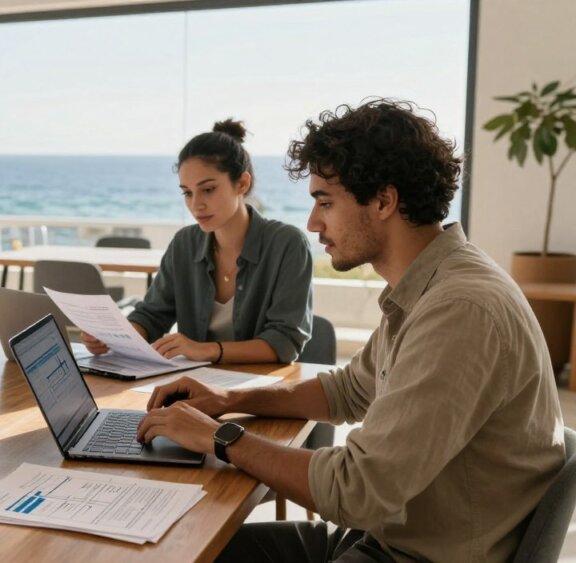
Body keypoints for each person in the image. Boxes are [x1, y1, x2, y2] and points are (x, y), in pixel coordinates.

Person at [134, 100, 565, 561]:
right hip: (392, 536)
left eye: (324, 202)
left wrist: (219, 438)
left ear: (384, 200)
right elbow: (346, 392)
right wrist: (229, 402)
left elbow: (354, 491)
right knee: (186, 549)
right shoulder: (429, 284)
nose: (313, 223)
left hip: (414, 555)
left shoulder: (459, 310)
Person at [81, 119, 312, 364]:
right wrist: (115, 338)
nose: (195, 204)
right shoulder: (184, 244)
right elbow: (152, 315)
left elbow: (285, 341)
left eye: (208, 189)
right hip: (193, 386)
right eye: (187, 192)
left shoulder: (288, 245)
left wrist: (208, 350)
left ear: (242, 183)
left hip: (260, 388)